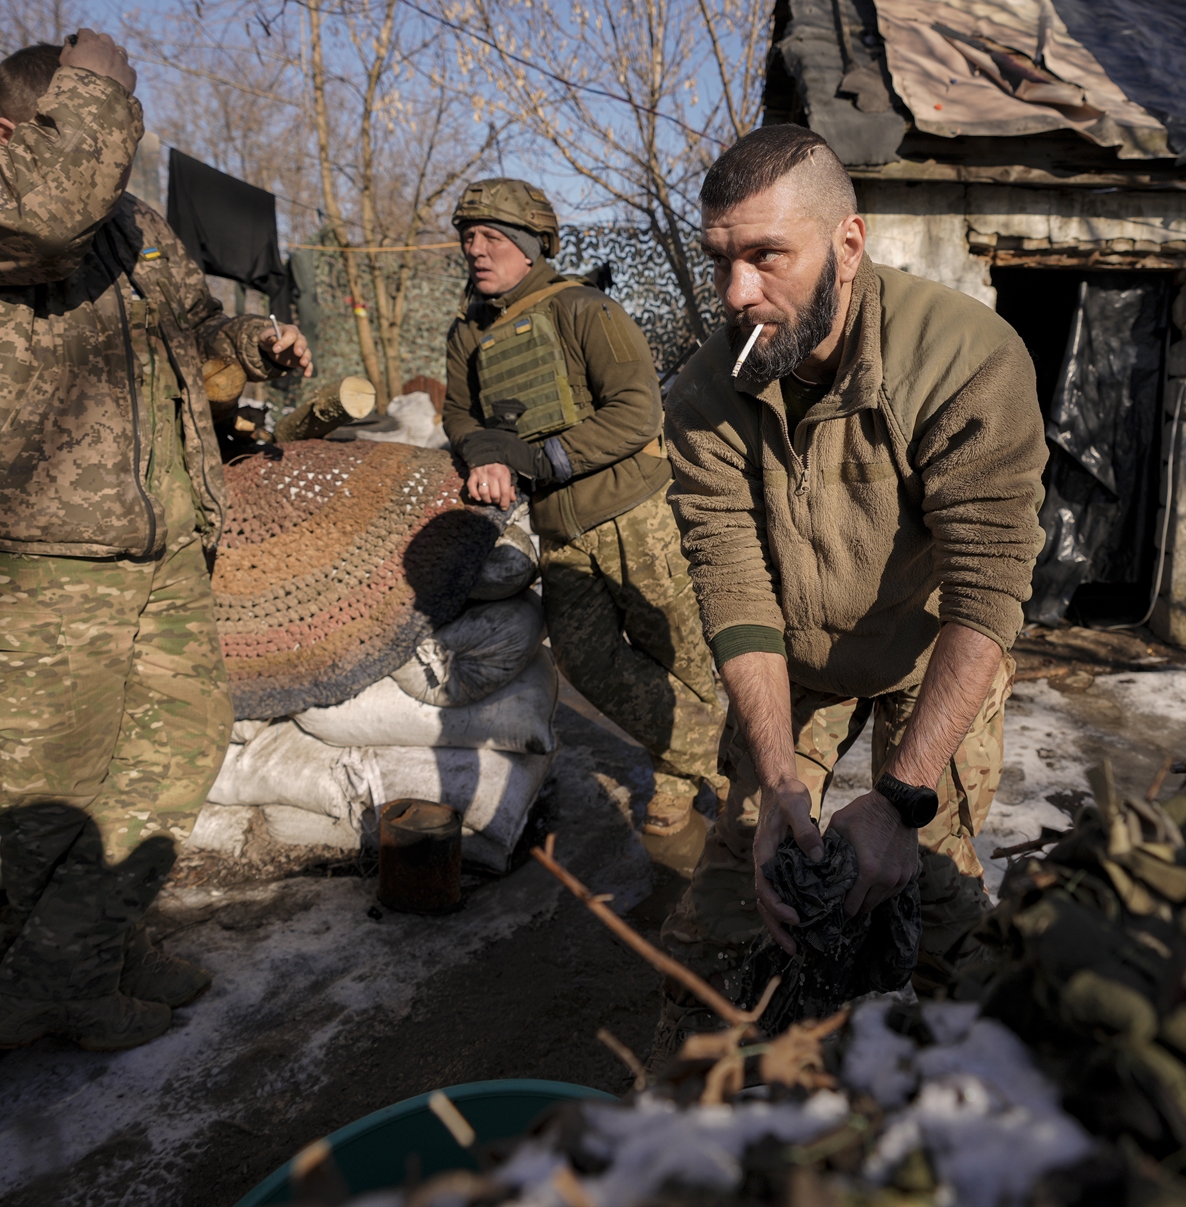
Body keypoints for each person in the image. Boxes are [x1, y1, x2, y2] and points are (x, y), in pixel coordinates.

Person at [0, 31, 312, 1051]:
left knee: (174, 744)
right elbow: (45, 213)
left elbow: (190, 322)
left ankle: (82, 954)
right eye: (92, 118)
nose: (114, 144)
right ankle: (64, 974)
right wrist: (94, 85)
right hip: (25, 546)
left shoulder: (132, 223)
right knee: (54, 791)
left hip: (154, 533)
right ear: (13, 129)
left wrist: (252, 344)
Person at [659, 125, 1048, 1002]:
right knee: (730, 914)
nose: (735, 293)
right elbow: (732, 586)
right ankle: (711, 1112)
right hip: (795, 663)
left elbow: (986, 599)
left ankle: (955, 1096)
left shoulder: (967, 362)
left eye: (766, 256)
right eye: (720, 258)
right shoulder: (702, 395)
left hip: (931, 650)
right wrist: (776, 780)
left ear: (848, 242)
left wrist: (903, 800)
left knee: (936, 897)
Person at [442, 180, 723, 836]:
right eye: (467, 236)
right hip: (558, 530)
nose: (474, 249)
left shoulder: (585, 310)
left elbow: (637, 410)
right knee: (585, 659)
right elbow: (460, 412)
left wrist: (539, 462)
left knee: (679, 654)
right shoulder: (468, 334)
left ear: (531, 242)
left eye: (490, 235)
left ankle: (689, 777)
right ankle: (727, 757)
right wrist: (485, 452)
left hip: (636, 513)